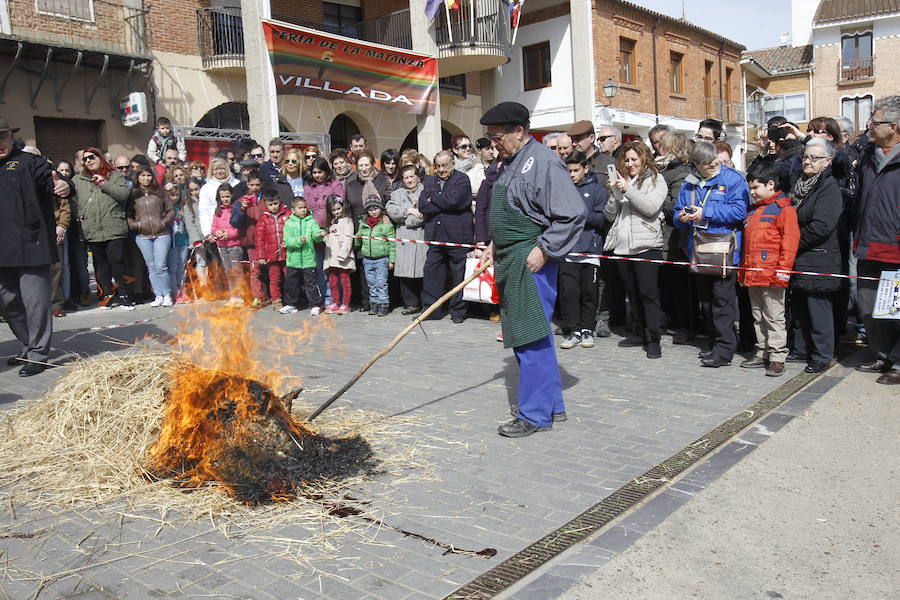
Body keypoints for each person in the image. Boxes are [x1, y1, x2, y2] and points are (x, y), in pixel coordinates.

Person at [481, 101, 585, 438]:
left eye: (497, 137)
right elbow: (515, 210)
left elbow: (572, 214)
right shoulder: (510, 163)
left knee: (530, 339)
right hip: (510, 257)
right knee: (533, 337)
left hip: (531, 261)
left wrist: (545, 249)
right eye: (490, 138)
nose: (493, 143)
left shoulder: (543, 162)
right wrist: (494, 244)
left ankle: (534, 415)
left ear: (520, 131)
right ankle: (552, 404)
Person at [0, 118, 73, 376]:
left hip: (32, 245)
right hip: (3, 250)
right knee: (7, 302)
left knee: (36, 304)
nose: (0, 143)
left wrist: (64, 185)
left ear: (11, 136)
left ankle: (39, 355)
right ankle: (29, 344)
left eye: (3, 136)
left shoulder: (30, 162)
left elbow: (55, 179)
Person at [674, 141, 749, 368]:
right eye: (709, 164)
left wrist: (704, 212)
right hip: (698, 248)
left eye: (716, 161)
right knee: (706, 302)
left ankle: (724, 351)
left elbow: (740, 211)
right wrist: (683, 217)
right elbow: (677, 212)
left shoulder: (733, 179)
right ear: (697, 164)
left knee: (723, 302)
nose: (714, 165)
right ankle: (719, 342)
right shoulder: (690, 183)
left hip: (723, 249)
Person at [603, 141, 668, 358]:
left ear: (643, 158)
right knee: (633, 294)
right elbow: (609, 215)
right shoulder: (622, 181)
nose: (630, 164)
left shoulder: (656, 179)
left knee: (648, 294)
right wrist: (614, 192)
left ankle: (654, 339)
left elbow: (650, 208)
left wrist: (628, 190)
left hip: (646, 246)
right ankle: (640, 332)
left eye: (634, 159)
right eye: (627, 160)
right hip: (622, 247)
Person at [784, 138, 843, 373]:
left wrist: (792, 242)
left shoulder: (829, 189)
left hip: (820, 256)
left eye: (814, 158)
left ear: (827, 162)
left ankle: (822, 355)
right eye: (805, 157)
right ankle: (800, 349)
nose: (808, 162)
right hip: (799, 256)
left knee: (818, 309)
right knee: (798, 307)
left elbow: (821, 227)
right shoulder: (799, 184)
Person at [853, 96, 900, 384]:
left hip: (895, 249)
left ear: (894, 127)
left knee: (897, 311)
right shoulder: (867, 157)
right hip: (868, 246)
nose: (869, 125)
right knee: (870, 308)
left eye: (876, 121)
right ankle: (881, 355)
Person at [739, 162, 800, 377]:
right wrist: (743, 272)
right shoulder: (754, 211)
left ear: (771, 184)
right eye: (751, 188)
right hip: (753, 273)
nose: (752, 192)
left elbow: (790, 243)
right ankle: (762, 350)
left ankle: (777, 356)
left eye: (756, 187)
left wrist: (782, 273)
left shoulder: (784, 209)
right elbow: (748, 245)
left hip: (772, 274)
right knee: (758, 315)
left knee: (774, 316)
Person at [74, 147, 135, 309]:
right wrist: (79, 216)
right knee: (101, 263)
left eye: (92, 157)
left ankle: (123, 294)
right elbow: (73, 201)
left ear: (100, 157)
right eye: (85, 159)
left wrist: (104, 184)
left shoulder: (114, 176)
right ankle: (107, 294)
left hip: (113, 226)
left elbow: (124, 195)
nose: (89, 161)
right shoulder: (78, 179)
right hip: (92, 228)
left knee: (116, 261)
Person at [558, 151, 607, 350]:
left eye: (576, 170)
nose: (571, 174)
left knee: (589, 292)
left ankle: (587, 328)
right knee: (569, 292)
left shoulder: (597, 191)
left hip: (590, 250)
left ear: (586, 169)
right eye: (568, 170)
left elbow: (601, 219)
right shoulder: (562, 190)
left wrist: (580, 214)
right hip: (568, 251)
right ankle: (574, 330)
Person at [419, 150, 473, 323]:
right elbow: (422, 206)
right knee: (431, 273)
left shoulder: (461, 179)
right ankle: (431, 310)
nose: (441, 170)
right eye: (438, 166)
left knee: (458, 276)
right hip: (435, 235)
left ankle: (457, 311)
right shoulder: (430, 180)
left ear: (453, 164)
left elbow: (454, 202)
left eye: (445, 166)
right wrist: (442, 200)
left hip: (457, 236)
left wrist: (434, 197)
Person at [127, 166, 175, 307]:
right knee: (151, 267)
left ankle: (167, 294)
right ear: (137, 178)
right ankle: (158, 295)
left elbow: (171, 210)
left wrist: (163, 222)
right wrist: (137, 225)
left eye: (149, 175)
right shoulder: (133, 194)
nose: (146, 178)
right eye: (143, 176)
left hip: (162, 234)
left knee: (161, 266)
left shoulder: (160, 192)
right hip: (143, 236)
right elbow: (128, 215)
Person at [386, 164, 427, 314]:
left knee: (422, 272)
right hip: (404, 238)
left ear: (418, 176)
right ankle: (411, 304)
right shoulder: (397, 194)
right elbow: (391, 211)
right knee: (406, 273)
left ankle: (425, 303)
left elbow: (426, 213)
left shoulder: (426, 190)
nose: (409, 180)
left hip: (422, 236)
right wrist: (407, 210)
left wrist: (408, 220)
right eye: (406, 177)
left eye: (412, 176)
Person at [344, 149, 380, 310]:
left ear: (372, 165)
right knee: (361, 266)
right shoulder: (351, 185)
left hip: (376, 229)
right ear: (356, 167)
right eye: (361, 165)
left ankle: (379, 301)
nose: (364, 168)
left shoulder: (381, 182)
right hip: (358, 227)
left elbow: (385, 203)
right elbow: (347, 207)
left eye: (367, 164)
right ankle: (365, 301)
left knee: (376, 266)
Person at [282, 197, 325, 315]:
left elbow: (315, 235)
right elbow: (287, 241)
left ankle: (316, 304)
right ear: (292, 210)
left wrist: (320, 235)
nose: (303, 210)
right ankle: (291, 304)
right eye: (300, 208)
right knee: (292, 284)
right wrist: (298, 241)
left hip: (308, 259)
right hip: (293, 260)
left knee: (311, 283)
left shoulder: (311, 221)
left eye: (304, 207)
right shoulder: (289, 224)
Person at [353, 197, 395, 317]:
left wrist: (392, 260)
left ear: (380, 209)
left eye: (376, 208)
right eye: (370, 209)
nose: (373, 212)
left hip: (382, 259)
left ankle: (383, 304)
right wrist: (356, 241)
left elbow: (392, 244)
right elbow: (359, 239)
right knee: (371, 283)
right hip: (368, 259)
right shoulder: (363, 224)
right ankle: (374, 303)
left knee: (381, 283)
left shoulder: (386, 225)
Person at [231, 171, 266, 307]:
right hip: (252, 242)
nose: (255, 187)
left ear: (261, 184)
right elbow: (234, 222)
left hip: (267, 240)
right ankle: (257, 296)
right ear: (247, 184)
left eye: (257, 185)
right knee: (255, 270)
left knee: (271, 271)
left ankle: (272, 295)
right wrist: (242, 210)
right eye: (252, 185)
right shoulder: (240, 202)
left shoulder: (266, 200)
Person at [255, 189, 291, 310]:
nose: (273, 207)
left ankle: (290, 299)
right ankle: (276, 300)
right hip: (271, 255)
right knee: (274, 279)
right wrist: (261, 256)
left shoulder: (287, 214)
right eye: (270, 204)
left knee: (289, 277)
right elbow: (259, 239)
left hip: (287, 253)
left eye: (275, 203)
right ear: (265, 204)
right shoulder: (263, 219)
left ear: (279, 201)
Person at [210, 183, 243, 306]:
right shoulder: (218, 211)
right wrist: (216, 232)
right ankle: (233, 295)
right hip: (222, 246)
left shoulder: (235, 209)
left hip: (234, 245)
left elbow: (239, 228)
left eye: (227, 196)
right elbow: (213, 226)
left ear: (232, 196)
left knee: (237, 272)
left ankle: (240, 295)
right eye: (222, 197)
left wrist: (228, 234)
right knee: (228, 272)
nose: (225, 199)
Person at [323, 196, 355, 315]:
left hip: (343, 258)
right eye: (333, 210)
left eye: (338, 208)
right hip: (331, 258)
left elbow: (348, 238)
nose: (337, 212)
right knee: (333, 282)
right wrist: (324, 236)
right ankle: (335, 302)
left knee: (345, 282)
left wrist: (343, 254)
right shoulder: (330, 223)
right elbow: (329, 240)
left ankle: (345, 304)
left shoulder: (348, 221)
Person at [198, 158, 238, 242]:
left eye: (222, 168)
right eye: (216, 169)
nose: (219, 172)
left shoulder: (237, 184)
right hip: (216, 232)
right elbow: (204, 212)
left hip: (235, 230)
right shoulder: (206, 188)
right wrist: (207, 233)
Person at [566, 120, 614, 187]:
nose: (574, 144)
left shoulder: (610, 162)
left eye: (578, 139)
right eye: (572, 140)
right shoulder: (566, 163)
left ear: (592, 138)